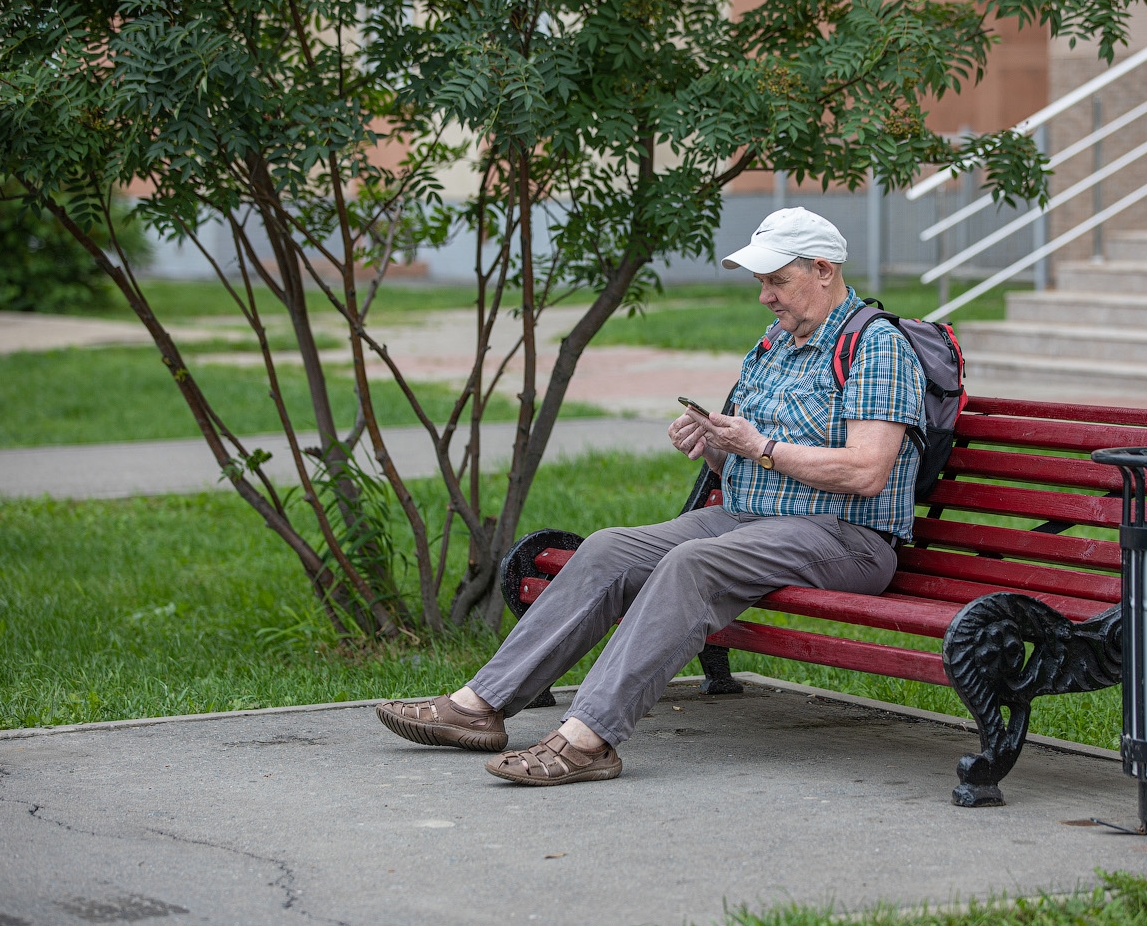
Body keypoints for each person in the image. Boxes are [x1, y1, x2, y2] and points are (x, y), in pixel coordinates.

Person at [375, 207, 926, 785]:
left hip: (845, 537)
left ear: (822, 269)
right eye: (760, 282)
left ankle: (588, 739)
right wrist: (715, 443)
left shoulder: (876, 346)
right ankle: (478, 706)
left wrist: (761, 447)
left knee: (692, 563)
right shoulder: (775, 342)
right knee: (610, 547)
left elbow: (867, 471)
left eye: (777, 280)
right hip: (748, 518)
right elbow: (749, 449)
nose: (764, 296)